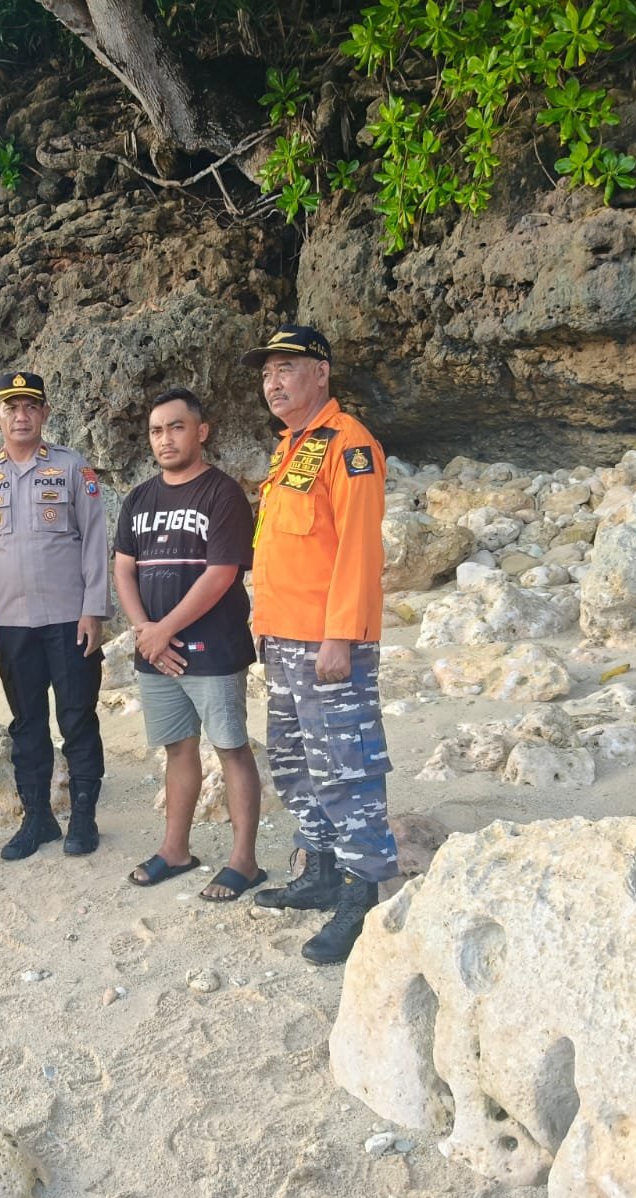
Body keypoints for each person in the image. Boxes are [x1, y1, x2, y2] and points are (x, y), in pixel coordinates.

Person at [241, 324, 397, 965]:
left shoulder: (350, 446)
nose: (274, 382)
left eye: (288, 368)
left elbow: (359, 551)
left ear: (322, 373)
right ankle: (322, 869)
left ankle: (364, 894)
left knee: (344, 765)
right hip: (283, 639)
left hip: (328, 644)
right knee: (293, 760)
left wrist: (341, 636)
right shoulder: (291, 449)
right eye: (268, 372)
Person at [114, 388, 264, 901]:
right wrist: (143, 630)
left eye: (176, 427)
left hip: (213, 649)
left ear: (201, 431)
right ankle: (175, 849)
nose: (165, 439)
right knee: (178, 750)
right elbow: (123, 568)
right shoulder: (139, 498)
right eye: (157, 430)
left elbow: (221, 573)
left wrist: (162, 630)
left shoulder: (222, 494)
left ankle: (243, 861)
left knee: (230, 749)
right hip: (155, 654)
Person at [0, 370, 108, 861]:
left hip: (70, 620)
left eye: (30, 407)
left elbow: (95, 540)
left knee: (77, 719)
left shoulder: (69, 467)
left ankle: (83, 816)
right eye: (10, 408)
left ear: (43, 413)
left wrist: (94, 610)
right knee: (27, 723)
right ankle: (37, 818)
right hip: (15, 625)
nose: (21, 416)